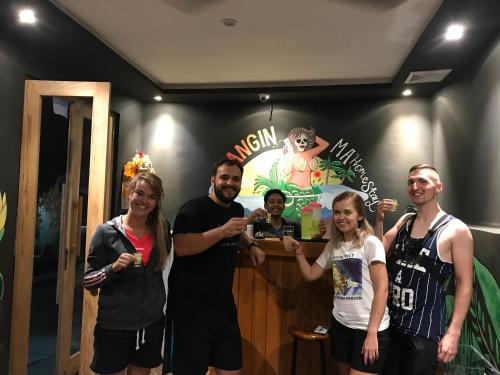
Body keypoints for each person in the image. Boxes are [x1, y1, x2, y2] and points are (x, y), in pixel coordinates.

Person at [165, 158, 266, 375]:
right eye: (224, 177)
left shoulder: (237, 209)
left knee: (231, 368)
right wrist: (222, 230)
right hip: (189, 309)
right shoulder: (193, 209)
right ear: (213, 180)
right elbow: (181, 246)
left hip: (223, 307)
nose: (230, 183)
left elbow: (236, 234)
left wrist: (251, 246)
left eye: (235, 179)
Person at [375, 164, 473, 375]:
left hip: (423, 332)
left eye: (422, 181)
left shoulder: (456, 230)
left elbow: (464, 284)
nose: (415, 186)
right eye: (410, 182)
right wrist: (379, 219)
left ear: (438, 187)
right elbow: (379, 250)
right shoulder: (405, 221)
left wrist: (453, 333)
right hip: (391, 324)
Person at [292, 191, 390, 375]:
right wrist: (298, 252)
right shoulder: (333, 245)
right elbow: (311, 274)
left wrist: (372, 333)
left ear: (359, 215)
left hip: (367, 328)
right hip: (341, 325)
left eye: (347, 212)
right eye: (337, 212)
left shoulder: (371, 243)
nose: (341, 217)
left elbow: (382, 290)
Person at [84, 172, 170, 375]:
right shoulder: (106, 232)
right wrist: (112, 268)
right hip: (114, 327)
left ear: (157, 202)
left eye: (152, 197)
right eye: (140, 193)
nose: (145, 201)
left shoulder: (162, 231)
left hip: (151, 325)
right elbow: (88, 281)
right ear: (129, 194)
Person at [248, 188, 326, 239]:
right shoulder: (257, 224)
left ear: (284, 206)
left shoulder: (294, 226)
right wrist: (249, 219)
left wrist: (318, 236)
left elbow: (307, 242)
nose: (276, 205)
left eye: (279, 202)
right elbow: (244, 237)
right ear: (265, 206)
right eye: (272, 202)